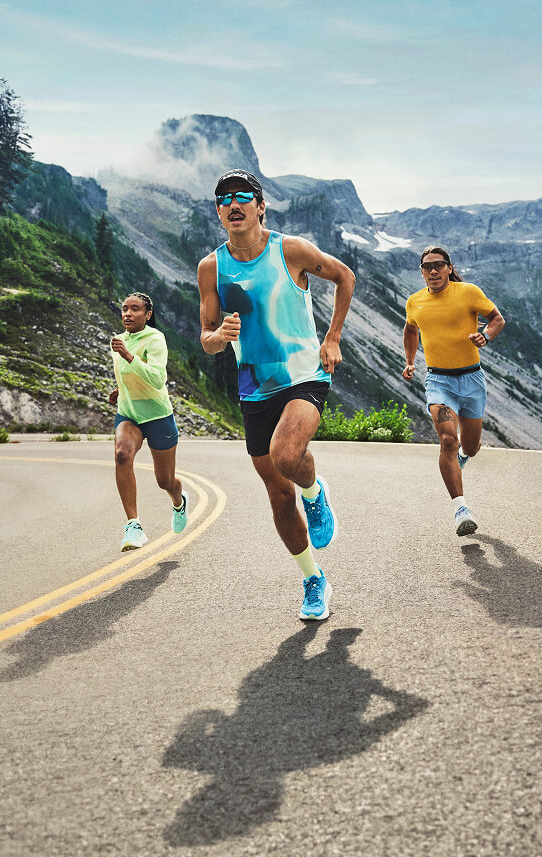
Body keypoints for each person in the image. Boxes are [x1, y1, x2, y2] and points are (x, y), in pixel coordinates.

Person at [197, 168, 356, 621]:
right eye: (224, 199)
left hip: (304, 375)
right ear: (218, 212)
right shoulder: (211, 268)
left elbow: (345, 277)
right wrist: (219, 337)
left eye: (242, 196)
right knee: (279, 496)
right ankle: (313, 579)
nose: (233, 204)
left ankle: (315, 491)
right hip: (255, 388)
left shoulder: (291, 250)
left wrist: (333, 337)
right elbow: (206, 337)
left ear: (260, 206)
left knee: (286, 456)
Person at [402, 246, 505, 536]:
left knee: (470, 447)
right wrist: (410, 361)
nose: (433, 271)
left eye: (439, 265)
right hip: (439, 381)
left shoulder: (468, 292)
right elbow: (410, 330)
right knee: (448, 439)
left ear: (449, 267)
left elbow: (497, 319)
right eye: (427, 267)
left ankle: (462, 455)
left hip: (472, 380)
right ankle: (461, 509)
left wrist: (486, 336)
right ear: (422, 272)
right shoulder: (415, 302)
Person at [109, 291, 188, 551]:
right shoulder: (119, 340)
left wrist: (128, 356)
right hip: (129, 413)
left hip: (157, 416)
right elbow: (127, 374)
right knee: (122, 455)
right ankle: (133, 526)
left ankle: (179, 501)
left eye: (135, 309)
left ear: (148, 314)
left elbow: (157, 379)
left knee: (165, 481)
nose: (128, 314)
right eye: (125, 309)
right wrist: (120, 389)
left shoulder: (155, 339)